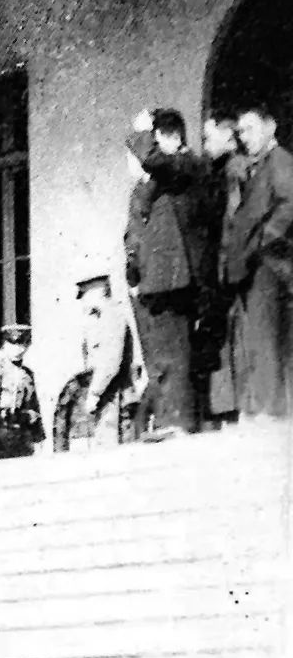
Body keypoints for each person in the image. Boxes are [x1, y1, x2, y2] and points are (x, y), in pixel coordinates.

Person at [124, 108, 208, 437]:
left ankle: (178, 420)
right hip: (158, 279)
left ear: (168, 138)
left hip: (176, 276)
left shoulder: (185, 164)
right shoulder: (162, 178)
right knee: (162, 353)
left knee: (176, 351)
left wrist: (141, 132)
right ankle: (168, 419)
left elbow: (152, 161)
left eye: (156, 141)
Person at [223, 103, 293, 420]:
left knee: (266, 336)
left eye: (250, 129)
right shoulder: (255, 166)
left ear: (271, 127)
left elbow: (289, 204)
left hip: (270, 264)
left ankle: (271, 408)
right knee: (258, 336)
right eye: (240, 132)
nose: (244, 137)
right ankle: (264, 405)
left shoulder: (279, 161)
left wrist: (263, 240)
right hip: (255, 265)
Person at [196, 115, 248, 424]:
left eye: (208, 138)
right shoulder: (219, 171)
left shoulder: (235, 169)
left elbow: (234, 222)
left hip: (230, 270)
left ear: (228, 137)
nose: (205, 145)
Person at [54, 275, 140, 453]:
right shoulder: (99, 318)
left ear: (98, 290)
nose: (83, 301)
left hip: (114, 395)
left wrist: (94, 393)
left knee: (110, 450)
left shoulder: (111, 316)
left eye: (85, 294)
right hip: (106, 395)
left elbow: (111, 361)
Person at [0, 324, 46, 459]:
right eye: (13, 344)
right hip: (0, 430)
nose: (18, 349)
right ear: (5, 345)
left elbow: (33, 405)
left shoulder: (27, 374)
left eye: (22, 344)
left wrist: (38, 436)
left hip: (21, 432)